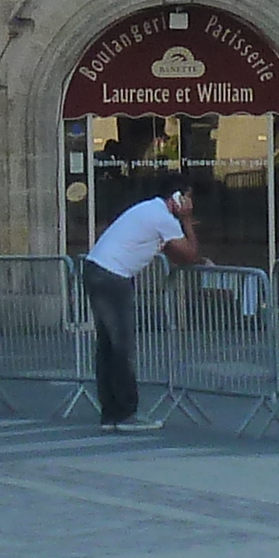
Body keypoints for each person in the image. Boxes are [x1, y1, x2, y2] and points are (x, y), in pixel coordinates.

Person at [80, 184, 202, 431]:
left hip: (98, 269)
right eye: (187, 199)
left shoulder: (150, 210)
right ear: (177, 197)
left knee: (108, 347)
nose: (190, 205)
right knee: (121, 346)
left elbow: (174, 253)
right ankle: (126, 413)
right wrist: (187, 221)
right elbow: (188, 254)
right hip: (113, 275)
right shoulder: (163, 218)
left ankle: (111, 413)